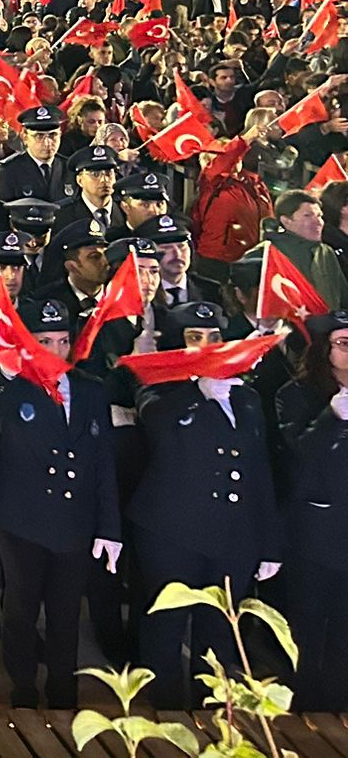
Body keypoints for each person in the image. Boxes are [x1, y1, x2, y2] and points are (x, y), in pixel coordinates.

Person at [130, 301, 282, 708]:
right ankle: (164, 718)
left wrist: (269, 543)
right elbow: (158, 425)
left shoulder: (245, 397)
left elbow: (258, 469)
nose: (208, 346)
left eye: (215, 338)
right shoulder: (159, 390)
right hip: (171, 536)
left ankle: (211, 718)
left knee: (219, 634)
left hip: (232, 537)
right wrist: (197, 391)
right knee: (165, 629)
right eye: (195, 338)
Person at [0, 296, 122, 708]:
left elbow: (103, 463)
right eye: (45, 340)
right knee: (21, 607)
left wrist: (109, 528)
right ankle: (22, 686)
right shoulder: (14, 384)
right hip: (20, 518)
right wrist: (5, 369)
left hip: (74, 518)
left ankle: (63, 689)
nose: (55, 350)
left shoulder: (91, 390)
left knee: (65, 612)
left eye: (62, 340)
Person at [273, 310, 348, 710]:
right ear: (323, 350)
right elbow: (299, 453)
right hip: (313, 535)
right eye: (343, 344)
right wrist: (333, 416)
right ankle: (303, 710)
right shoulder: (295, 394)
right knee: (306, 628)